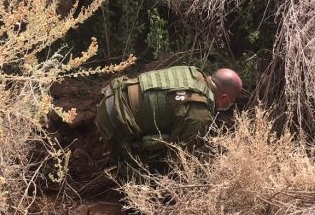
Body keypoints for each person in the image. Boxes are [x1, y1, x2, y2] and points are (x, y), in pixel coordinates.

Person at [95, 65, 242, 176]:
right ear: (224, 99)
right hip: (115, 118)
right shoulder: (200, 114)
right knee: (144, 170)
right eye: (231, 102)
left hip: (113, 95)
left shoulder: (194, 74)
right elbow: (179, 159)